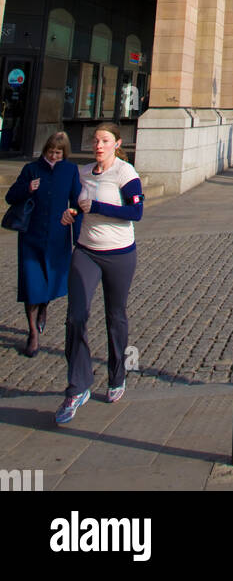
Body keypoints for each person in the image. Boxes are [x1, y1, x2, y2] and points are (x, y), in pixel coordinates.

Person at [55, 123, 143, 426]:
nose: (99, 145)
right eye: (96, 141)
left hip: (119, 254)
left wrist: (100, 207)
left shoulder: (125, 174)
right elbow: (75, 205)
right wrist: (71, 213)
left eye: (105, 141)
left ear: (117, 144)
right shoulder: (81, 174)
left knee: (115, 316)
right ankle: (77, 386)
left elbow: (136, 213)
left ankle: (117, 375)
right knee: (75, 315)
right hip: (86, 251)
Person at [5, 132, 81, 358]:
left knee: (51, 281)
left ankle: (44, 307)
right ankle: (33, 335)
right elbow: (11, 196)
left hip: (58, 236)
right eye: (51, 152)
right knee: (31, 284)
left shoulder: (70, 170)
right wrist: (28, 188)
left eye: (58, 153)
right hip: (31, 236)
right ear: (45, 150)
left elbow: (76, 203)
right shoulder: (31, 169)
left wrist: (77, 235)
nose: (54, 156)